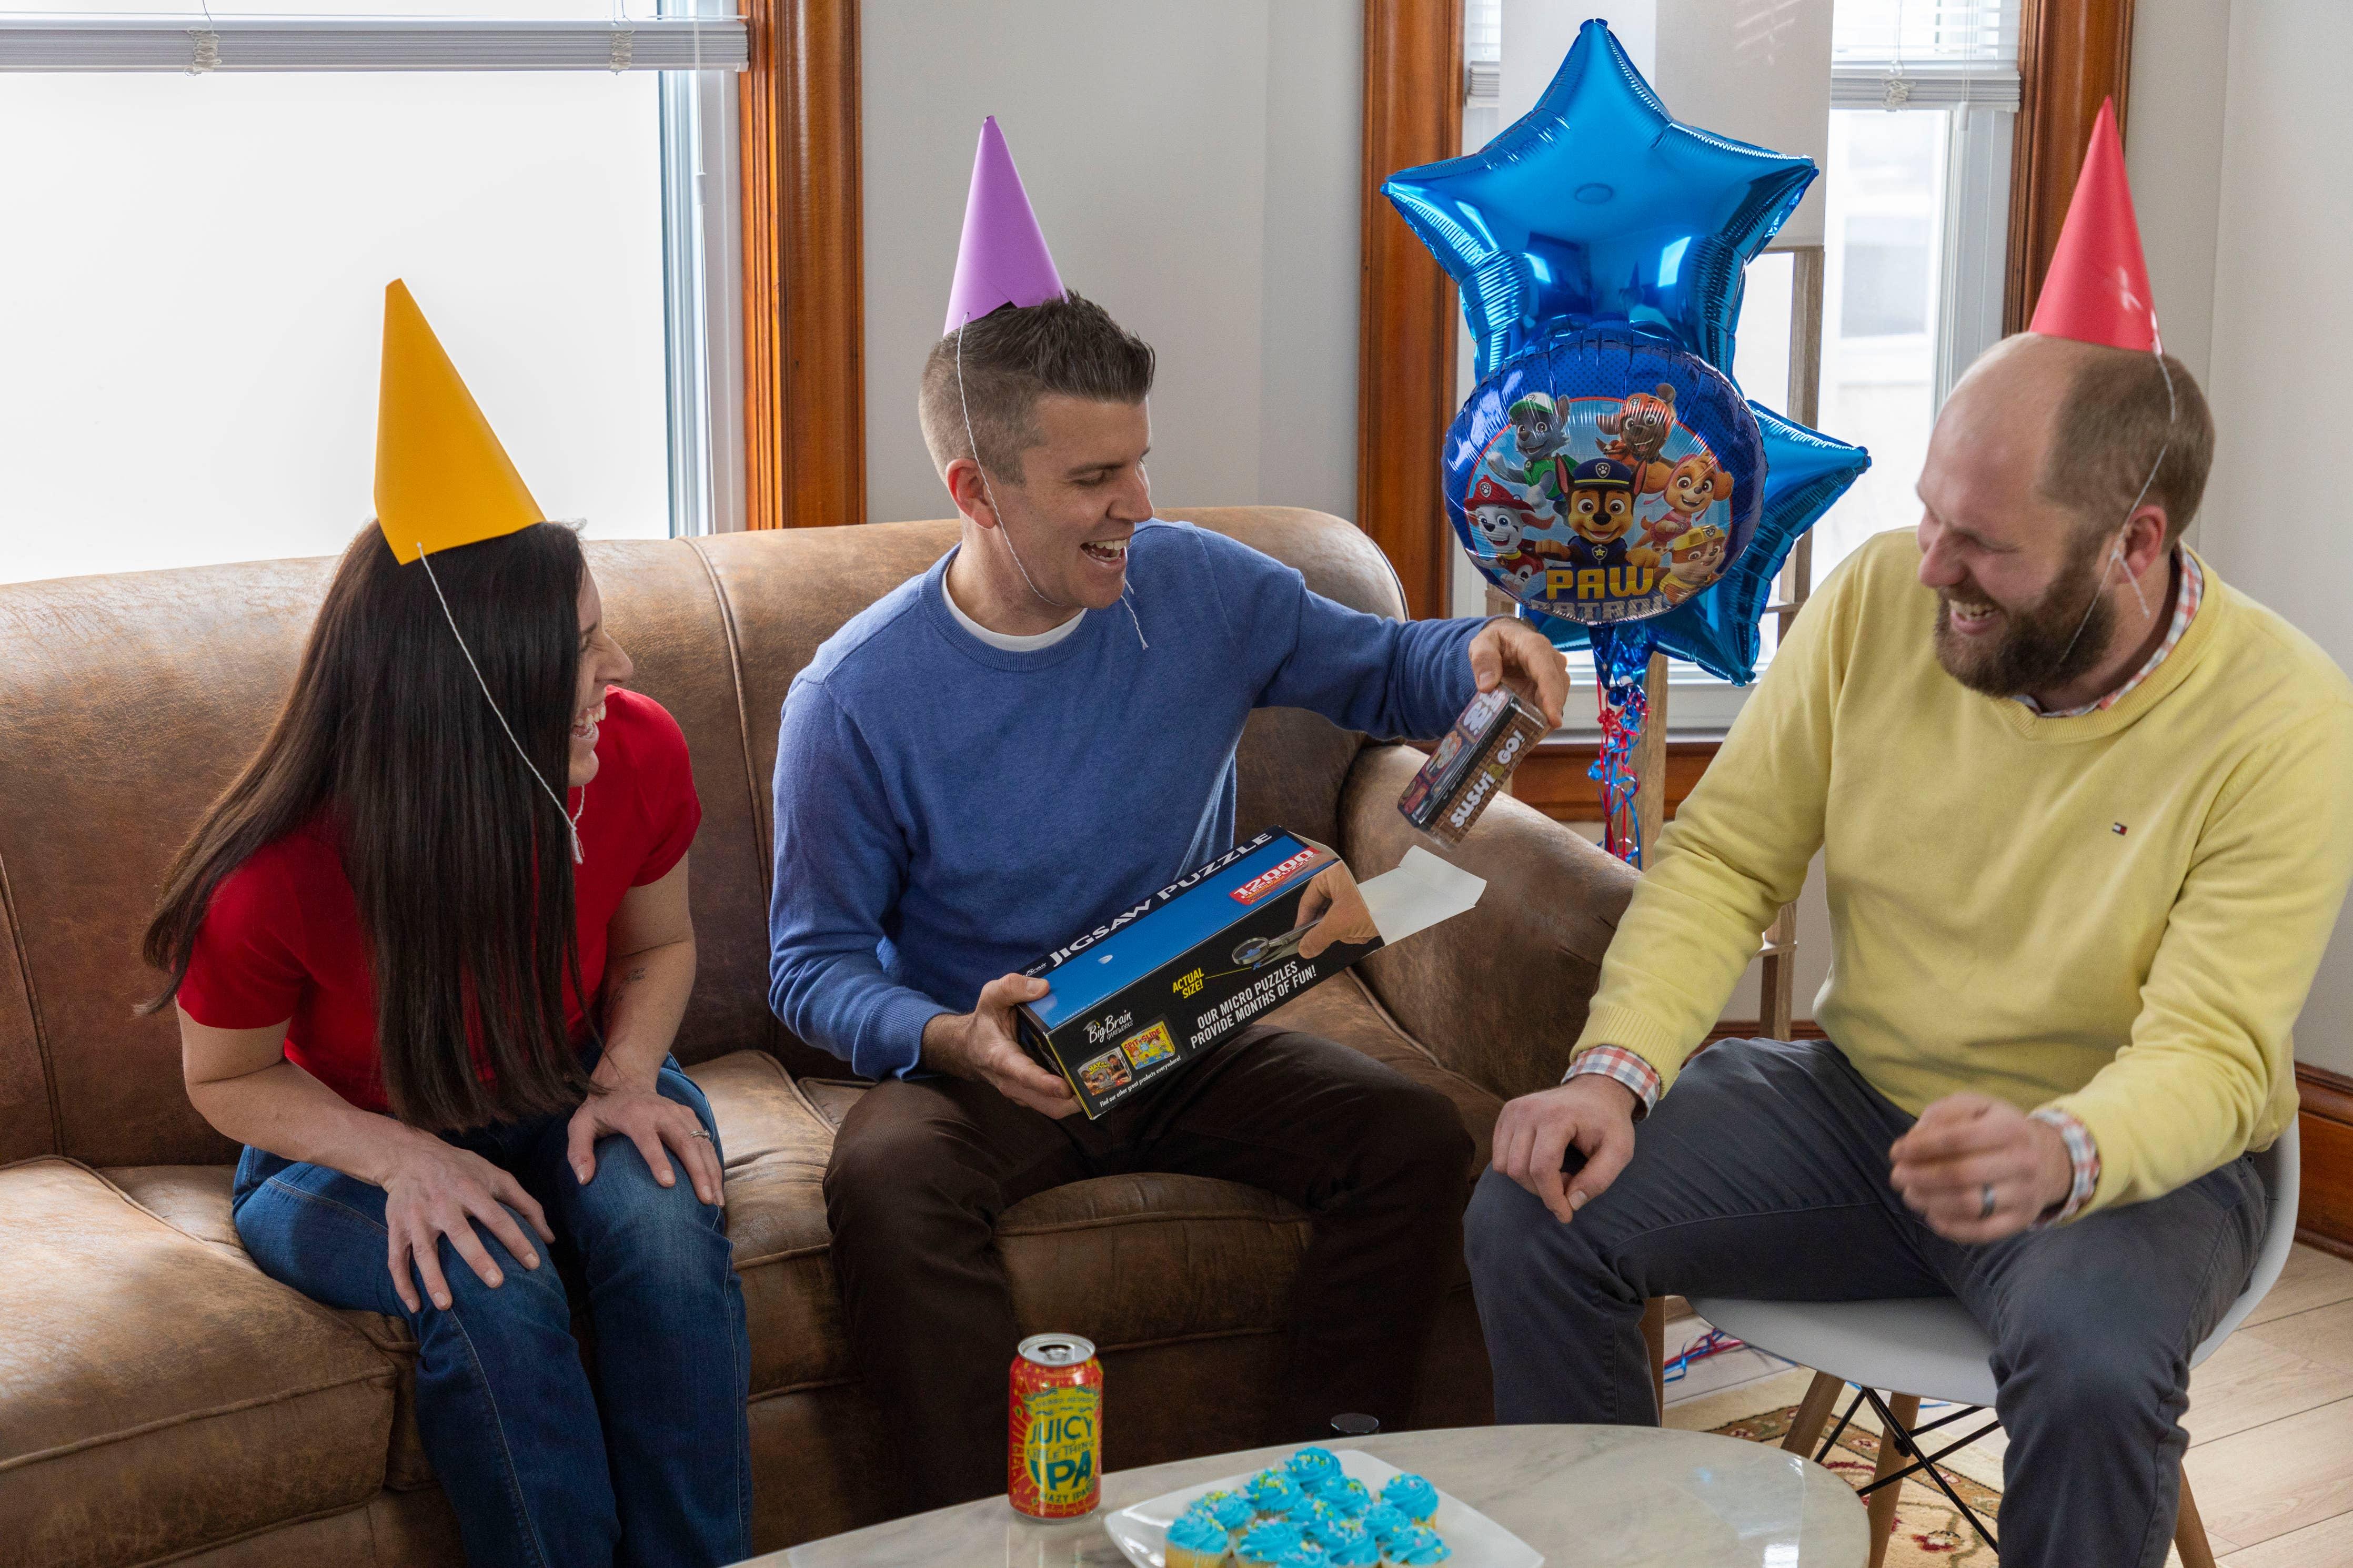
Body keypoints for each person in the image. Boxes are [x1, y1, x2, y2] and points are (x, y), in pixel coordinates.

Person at [1465, 113, 2353, 1568]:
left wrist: (2062, 1147)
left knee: (2093, 1360)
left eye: (1985, 544)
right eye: (1931, 514)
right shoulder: (1885, 592)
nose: (1930, 564)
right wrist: (1611, 1071)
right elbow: (1730, 855)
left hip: (2125, 1152)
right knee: (1536, 1208)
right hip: (1864, 1104)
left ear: (2134, 543)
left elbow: (2209, 1051)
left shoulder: (2286, 715)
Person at [767, 118, 1571, 1512]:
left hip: (1191, 1028)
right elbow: (809, 961)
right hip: (997, 1055)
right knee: (887, 1184)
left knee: (1415, 1139)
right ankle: (978, 1532)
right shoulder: (857, 698)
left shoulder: (1201, 584)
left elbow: (1381, 666)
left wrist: (1478, 656)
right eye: (1092, 480)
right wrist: (945, 1031)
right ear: (975, 490)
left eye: (1137, 462)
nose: (1137, 503)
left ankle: (1302, 1481)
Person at [144, 285, 750, 1568]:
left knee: (660, 1232)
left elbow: (655, 948)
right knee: (489, 1280)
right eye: (582, 652)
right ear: (472, 699)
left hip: (572, 1087)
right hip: (340, 1149)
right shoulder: (283, 867)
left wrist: (632, 1073)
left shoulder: (635, 754)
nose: (622, 673)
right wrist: (400, 1163)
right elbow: (227, 1077)